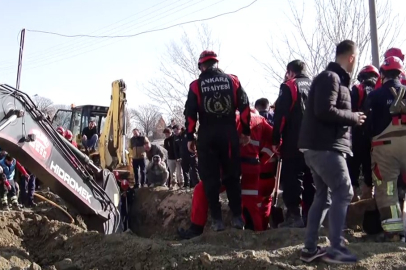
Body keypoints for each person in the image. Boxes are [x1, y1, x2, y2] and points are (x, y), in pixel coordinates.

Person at [298, 40, 364, 264]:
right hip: (325, 147)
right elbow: (324, 110)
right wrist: (354, 117)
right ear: (352, 58)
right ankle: (336, 248)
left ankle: (309, 249)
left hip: (318, 147)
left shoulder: (333, 79)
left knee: (324, 196)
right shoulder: (331, 77)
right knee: (344, 190)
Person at [178, 109, 273, 239]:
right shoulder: (260, 119)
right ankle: (258, 235)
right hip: (252, 167)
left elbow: (222, 144)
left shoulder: (232, 118)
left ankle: (196, 229)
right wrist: (262, 160)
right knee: (250, 203)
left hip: (231, 166)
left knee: (202, 189)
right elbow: (277, 141)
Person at [184, 50, 251, 230]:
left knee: (210, 178)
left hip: (207, 135)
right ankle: (237, 218)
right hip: (229, 134)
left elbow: (190, 115)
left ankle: (217, 220)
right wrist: (245, 131)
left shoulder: (196, 85)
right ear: (216, 63)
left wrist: (190, 137)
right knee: (232, 176)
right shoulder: (233, 80)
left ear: (202, 66)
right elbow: (245, 107)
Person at [364, 56, 406, 241]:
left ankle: (394, 234)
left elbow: (366, 126)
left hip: (384, 147)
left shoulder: (374, 96)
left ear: (381, 74)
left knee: (387, 190)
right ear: (400, 73)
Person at [272, 59, 315, 228]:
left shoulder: (289, 86)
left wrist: (276, 139)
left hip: (294, 139)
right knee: (312, 178)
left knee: (292, 177)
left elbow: (281, 116)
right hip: (316, 141)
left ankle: (294, 215)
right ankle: (311, 215)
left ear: (290, 72)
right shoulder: (317, 85)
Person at [348, 65, 379, 201]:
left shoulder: (357, 88)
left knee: (353, 164)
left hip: (358, 132)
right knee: (370, 164)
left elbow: (350, 110)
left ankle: (353, 195)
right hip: (376, 134)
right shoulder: (379, 89)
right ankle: (369, 195)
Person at [177, 124, 200, 188]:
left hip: (191, 154)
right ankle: (187, 184)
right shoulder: (178, 137)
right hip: (184, 155)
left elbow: (195, 139)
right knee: (185, 170)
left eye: (176, 130)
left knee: (194, 169)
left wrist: (196, 150)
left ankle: (196, 184)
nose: (175, 132)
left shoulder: (188, 134)